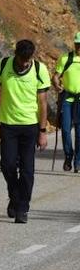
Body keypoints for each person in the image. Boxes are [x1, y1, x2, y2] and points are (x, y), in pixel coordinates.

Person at [0, 39, 50, 223]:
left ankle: (22, 207)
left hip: (30, 126)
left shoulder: (40, 70)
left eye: (27, 60)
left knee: (27, 170)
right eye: (21, 59)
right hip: (8, 125)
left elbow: (43, 103)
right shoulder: (4, 64)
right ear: (15, 54)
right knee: (7, 164)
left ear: (32, 57)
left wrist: (43, 130)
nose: (24, 63)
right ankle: (14, 196)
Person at [53, 33, 80, 172]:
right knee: (65, 129)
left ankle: (78, 161)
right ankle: (68, 156)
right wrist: (57, 85)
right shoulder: (66, 59)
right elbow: (56, 77)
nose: (79, 47)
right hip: (67, 99)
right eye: (77, 44)